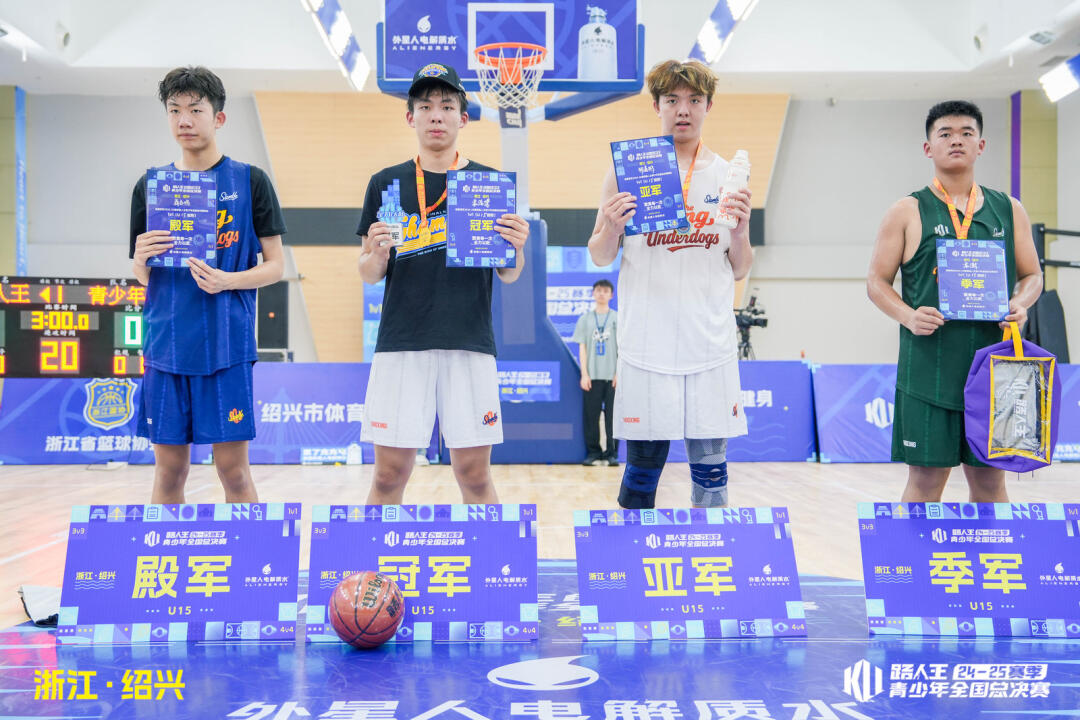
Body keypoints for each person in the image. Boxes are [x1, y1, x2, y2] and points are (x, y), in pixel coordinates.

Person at [357, 63, 530, 504]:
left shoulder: (489, 184)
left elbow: (509, 273)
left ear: (463, 118)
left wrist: (517, 247)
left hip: (468, 341)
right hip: (402, 342)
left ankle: (491, 553)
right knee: (388, 475)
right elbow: (369, 272)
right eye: (426, 106)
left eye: (447, 106)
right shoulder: (385, 182)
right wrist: (376, 254)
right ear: (410, 117)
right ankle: (374, 553)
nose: (436, 115)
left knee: (474, 475)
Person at [587, 60, 753, 509]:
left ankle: (710, 551)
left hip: (709, 344)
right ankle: (633, 553)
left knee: (712, 478)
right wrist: (611, 226)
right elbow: (599, 254)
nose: (683, 110)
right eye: (672, 100)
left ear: (708, 106)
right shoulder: (626, 172)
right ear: (656, 106)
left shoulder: (728, 176)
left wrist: (741, 231)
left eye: (694, 100)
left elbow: (740, 268)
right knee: (641, 476)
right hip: (647, 344)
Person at [867, 100, 1042, 503]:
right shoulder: (907, 210)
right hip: (928, 368)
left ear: (982, 145)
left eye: (966, 133)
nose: (956, 140)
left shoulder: (1009, 209)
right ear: (928, 148)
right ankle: (912, 549)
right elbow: (876, 282)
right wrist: (908, 316)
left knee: (990, 481)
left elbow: (1033, 275)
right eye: (945, 133)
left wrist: (1021, 303)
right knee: (926, 480)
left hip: (994, 369)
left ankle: (994, 549)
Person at [130, 66, 287, 504]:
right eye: (174, 110)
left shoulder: (249, 181)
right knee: (169, 473)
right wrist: (140, 259)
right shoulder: (151, 186)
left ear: (218, 118)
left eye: (195, 110)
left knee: (233, 472)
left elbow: (276, 266)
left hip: (226, 346)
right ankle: (166, 551)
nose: (184, 119)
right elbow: (145, 276)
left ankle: (252, 548)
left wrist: (227, 280)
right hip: (166, 346)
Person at [573, 279, 619, 466]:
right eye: (598, 290)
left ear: (611, 295)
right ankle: (593, 452)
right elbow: (582, 348)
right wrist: (584, 374)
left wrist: (619, 373)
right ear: (593, 293)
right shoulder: (585, 319)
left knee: (613, 418)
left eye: (605, 291)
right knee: (591, 417)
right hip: (592, 377)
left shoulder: (618, 318)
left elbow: (623, 348)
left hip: (613, 377)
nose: (601, 293)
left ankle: (611, 454)